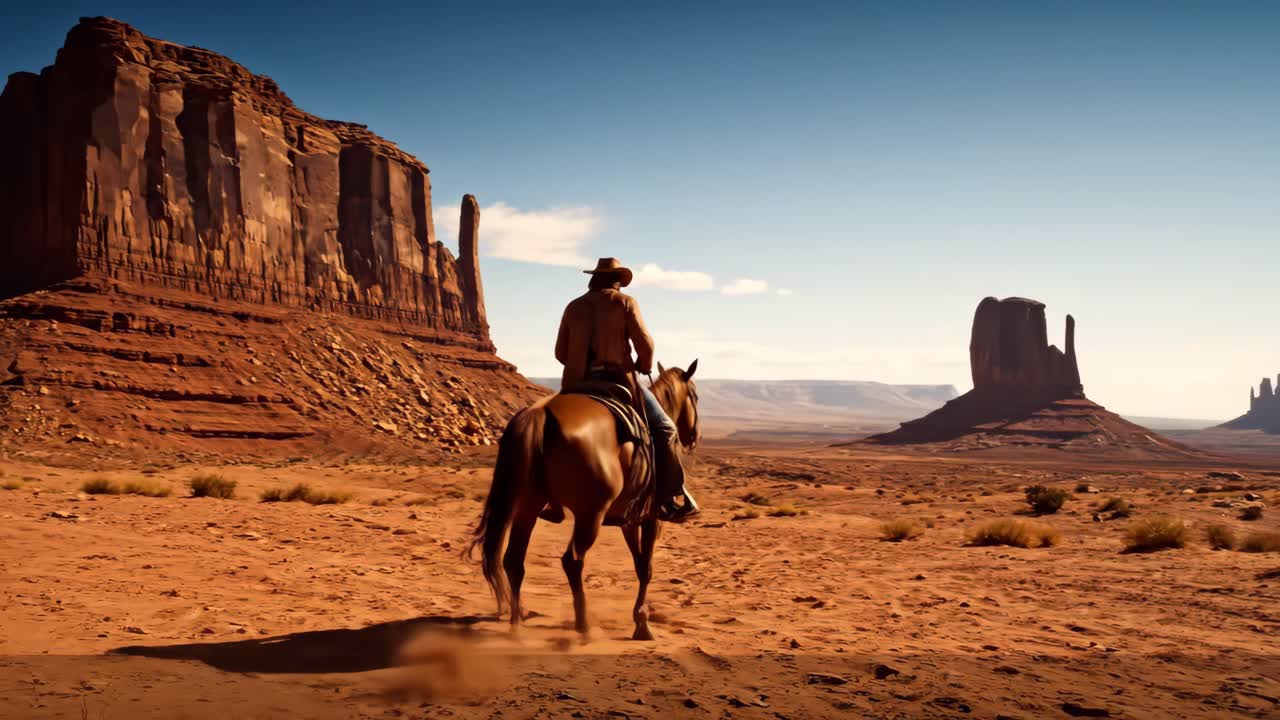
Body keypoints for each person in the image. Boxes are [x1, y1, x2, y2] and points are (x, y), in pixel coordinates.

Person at [553, 257, 699, 523]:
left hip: (575, 384)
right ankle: (670, 497)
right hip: (617, 380)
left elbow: (560, 352)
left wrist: (579, 364)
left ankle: (550, 498)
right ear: (616, 280)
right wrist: (644, 365)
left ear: (595, 278)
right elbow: (646, 346)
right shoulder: (625, 302)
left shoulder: (573, 307)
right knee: (666, 429)